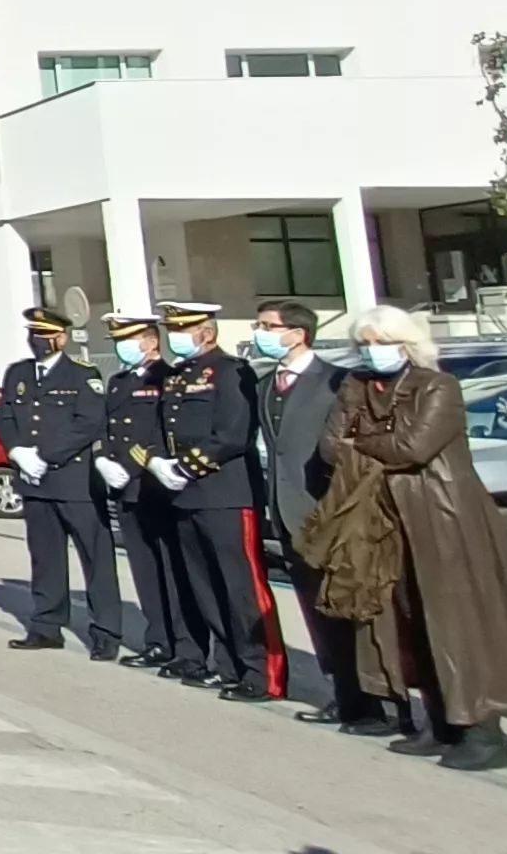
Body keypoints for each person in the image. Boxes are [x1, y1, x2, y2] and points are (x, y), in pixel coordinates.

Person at [303, 307, 507, 771]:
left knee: (458, 623)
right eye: (365, 342)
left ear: (405, 342)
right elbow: (332, 446)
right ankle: (439, 722)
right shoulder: (357, 385)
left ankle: (483, 733)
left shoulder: (438, 386)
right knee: (408, 622)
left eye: (380, 340)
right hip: (380, 517)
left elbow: (413, 447)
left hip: (441, 515)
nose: (371, 350)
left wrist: (363, 441)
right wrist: (370, 441)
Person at [255, 298, 386, 734]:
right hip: (288, 514)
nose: (262, 333)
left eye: (269, 326)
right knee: (315, 610)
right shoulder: (267, 383)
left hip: (325, 511)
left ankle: (368, 701)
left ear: (297, 333)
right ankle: (341, 692)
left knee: (345, 607)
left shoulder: (333, 381)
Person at [154, 301, 285, 703]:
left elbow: (233, 433)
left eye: (183, 329)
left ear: (206, 333)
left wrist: (188, 467)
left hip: (226, 493)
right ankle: (226, 664)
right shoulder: (179, 376)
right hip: (187, 494)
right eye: (172, 329)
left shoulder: (230, 371)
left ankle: (262, 673)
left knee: (241, 587)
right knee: (205, 585)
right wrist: (164, 465)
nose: (175, 336)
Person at [0, 306, 122, 659]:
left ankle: (106, 633)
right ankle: (46, 626)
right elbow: (5, 416)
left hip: (75, 482)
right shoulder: (17, 373)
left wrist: (45, 456)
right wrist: (18, 452)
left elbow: (89, 423)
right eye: (33, 334)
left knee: (96, 559)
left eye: (44, 335)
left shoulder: (82, 375)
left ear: (61, 338)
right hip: (35, 484)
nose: (37, 341)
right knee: (45, 559)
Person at [99, 311, 203, 680]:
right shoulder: (118, 381)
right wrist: (103, 459)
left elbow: (160, 431)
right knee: (144, 569)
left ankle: (184, 643)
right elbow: (110, 427)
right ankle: (157, 638)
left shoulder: (169, 379)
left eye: (127, 339)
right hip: (126, 488)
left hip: (155, 484)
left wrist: (134, 462)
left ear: (150, 341)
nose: (120, 347)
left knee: (172, 570)